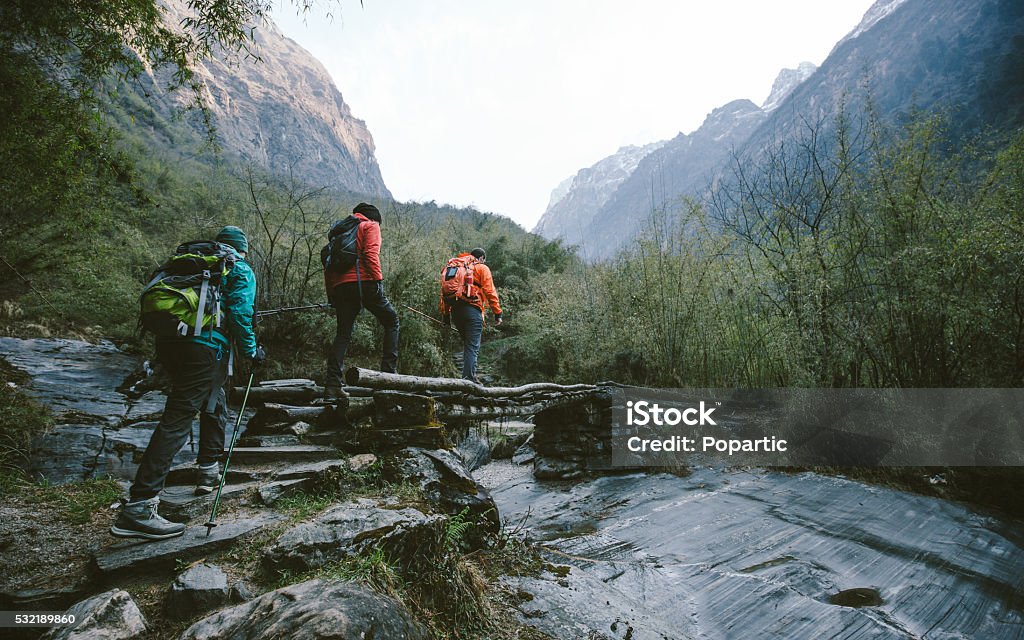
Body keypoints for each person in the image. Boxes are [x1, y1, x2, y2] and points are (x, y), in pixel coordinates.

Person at [111, 226, 263, 540]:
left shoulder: (193, 263)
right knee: (178, 418)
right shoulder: (239, 268)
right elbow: (239, 312)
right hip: (205, 347)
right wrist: (251, 350)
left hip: (172, 343)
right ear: (241, 249)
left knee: (213, 399)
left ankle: (208, 470)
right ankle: (139, 506)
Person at [324, 203, 400, 399]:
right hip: (365, 282)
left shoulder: (339, 233)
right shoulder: (370, 226)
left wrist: (332, 294)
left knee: (343, 334)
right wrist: (378, 281)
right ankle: (388, 376)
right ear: (373, 218)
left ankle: (332, 384)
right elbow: (370, 254)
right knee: (391, 322)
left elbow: (328, 266)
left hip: (341, 287)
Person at [441, 248, 502, 383]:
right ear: (481, 258)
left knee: (469, 345)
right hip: (473, 311)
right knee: (472, 347)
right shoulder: (481, 268)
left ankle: (470, 377)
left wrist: (446, 316)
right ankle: (469, 381)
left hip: (455, 312)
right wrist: (497, 313)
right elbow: (490, 291)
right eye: (484, 260)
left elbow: (444, 293)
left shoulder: (455, 267)